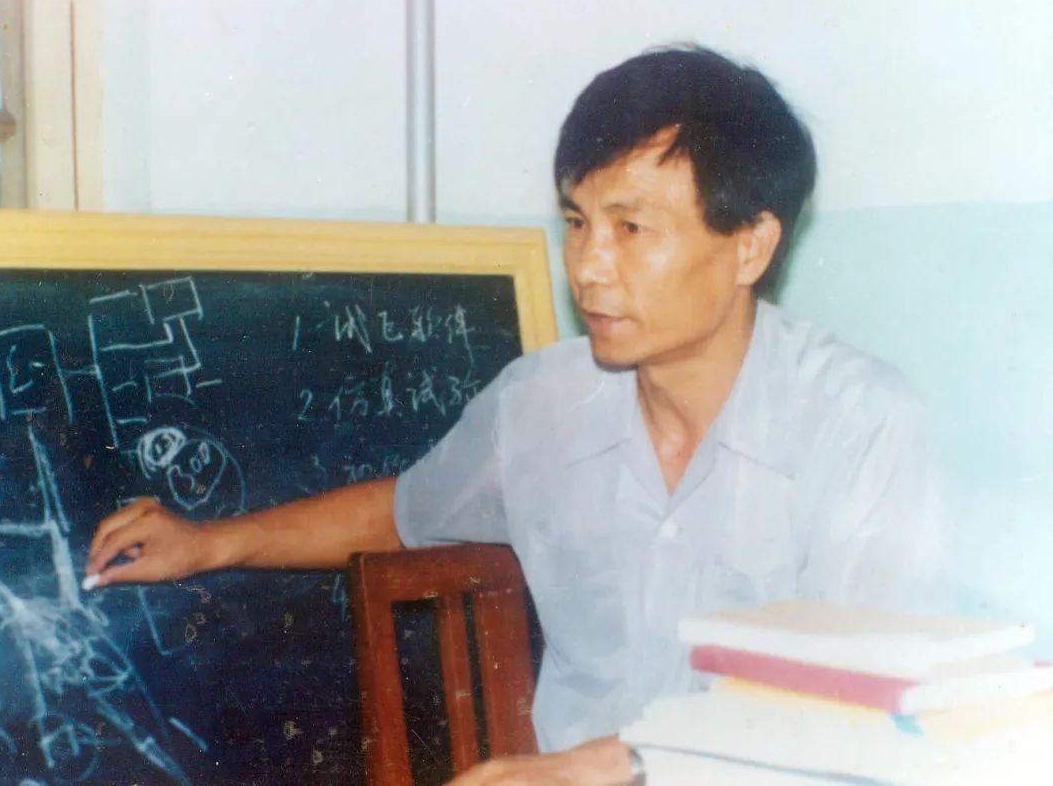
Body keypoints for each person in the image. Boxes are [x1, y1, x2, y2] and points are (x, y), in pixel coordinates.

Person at [86, 46, 939, 785]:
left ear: (750, 244)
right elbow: (405, 511)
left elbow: (852, 705)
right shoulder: (541, 405)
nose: (588, 266)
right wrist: (212, 542)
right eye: (577, 222)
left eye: (631, 228)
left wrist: (590, 767)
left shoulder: (858, 422)